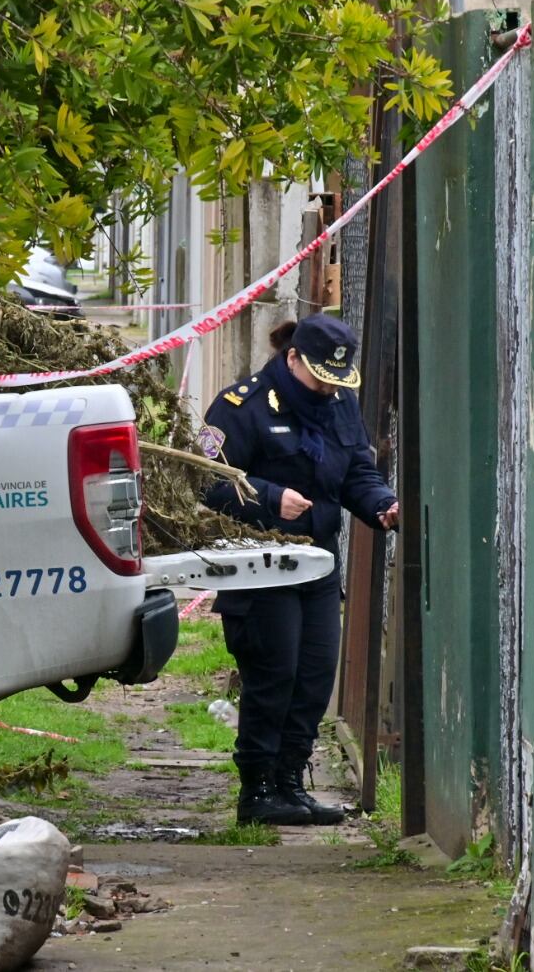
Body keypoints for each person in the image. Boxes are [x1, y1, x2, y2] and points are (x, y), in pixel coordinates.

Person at [198, 313, 398, 826]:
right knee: (274, 674)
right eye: (319, 378)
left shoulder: (339, 405)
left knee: (313, 676)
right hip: (261, 565)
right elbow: (205, 481)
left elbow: (356, 469)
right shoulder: (241, 406)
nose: (327, 389)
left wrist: (381, 505)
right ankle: (258, 790)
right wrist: (267, 497)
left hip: (317, 561)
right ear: (292, 359)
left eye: (336, 380)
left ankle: (290, 784)